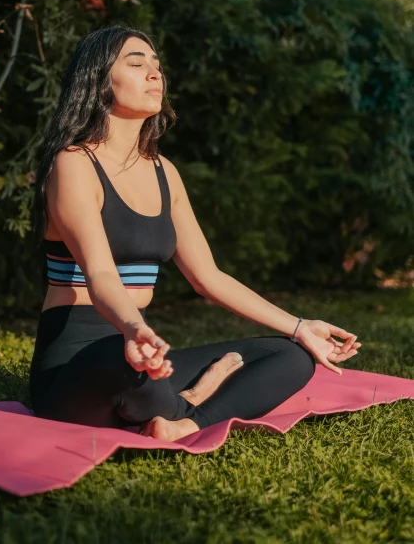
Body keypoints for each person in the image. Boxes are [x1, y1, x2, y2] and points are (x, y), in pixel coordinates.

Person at [29, 25, 361, 441]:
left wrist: (298, 327)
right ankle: (191, 398)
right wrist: (133, 329)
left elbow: (209, 278)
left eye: (157, 65)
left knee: (290, 357)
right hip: (79, 370)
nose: (155, 74)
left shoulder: (164, 172)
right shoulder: (74, 163)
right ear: (98, 82)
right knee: (121, 359)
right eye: (136, 63)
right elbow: (99, 273)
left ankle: (183, 421)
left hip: (146, 357)